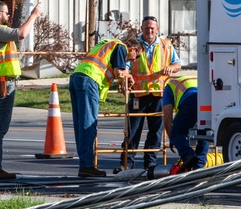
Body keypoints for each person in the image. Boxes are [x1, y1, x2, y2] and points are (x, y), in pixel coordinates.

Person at [0, 0, 42, 180]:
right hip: (1, 83)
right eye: (6, 13)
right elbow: (21, 33)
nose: (7, 16)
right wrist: (34, 15)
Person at [68, 37, 141, 178]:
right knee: (88, 125)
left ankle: (85, 164)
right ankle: (87, 166)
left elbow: (113, 68)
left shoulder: (108, 43)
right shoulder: (121, 47)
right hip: (90, 80)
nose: (134, 61)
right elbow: (119, 72)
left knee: (80, 125)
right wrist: (129, 76)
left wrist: (121, 79)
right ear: (132, 49)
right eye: (135, 57)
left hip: (77, 77)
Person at [123, 16, 181, 174]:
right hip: (138, 93)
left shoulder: (165, 45)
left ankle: (150, 164)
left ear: (157, 29)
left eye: (152, 28)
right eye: (146, 28)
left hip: (158, 94)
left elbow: (177, 64)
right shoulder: (134, 46)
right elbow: (126, 65)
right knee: (133, 130)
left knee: (155, 132)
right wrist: (126, 77)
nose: (149, 31)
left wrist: (171, 68)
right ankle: (126, 163)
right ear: (141, 29)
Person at [163, 76, 205, 173]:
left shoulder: (169, 87)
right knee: (204, 132)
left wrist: (172, 138)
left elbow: (167, 117)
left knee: (177, 133)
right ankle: (199, 165)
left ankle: (188, 155)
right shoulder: (195, 79)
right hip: (206, 99)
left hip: (190, 101)